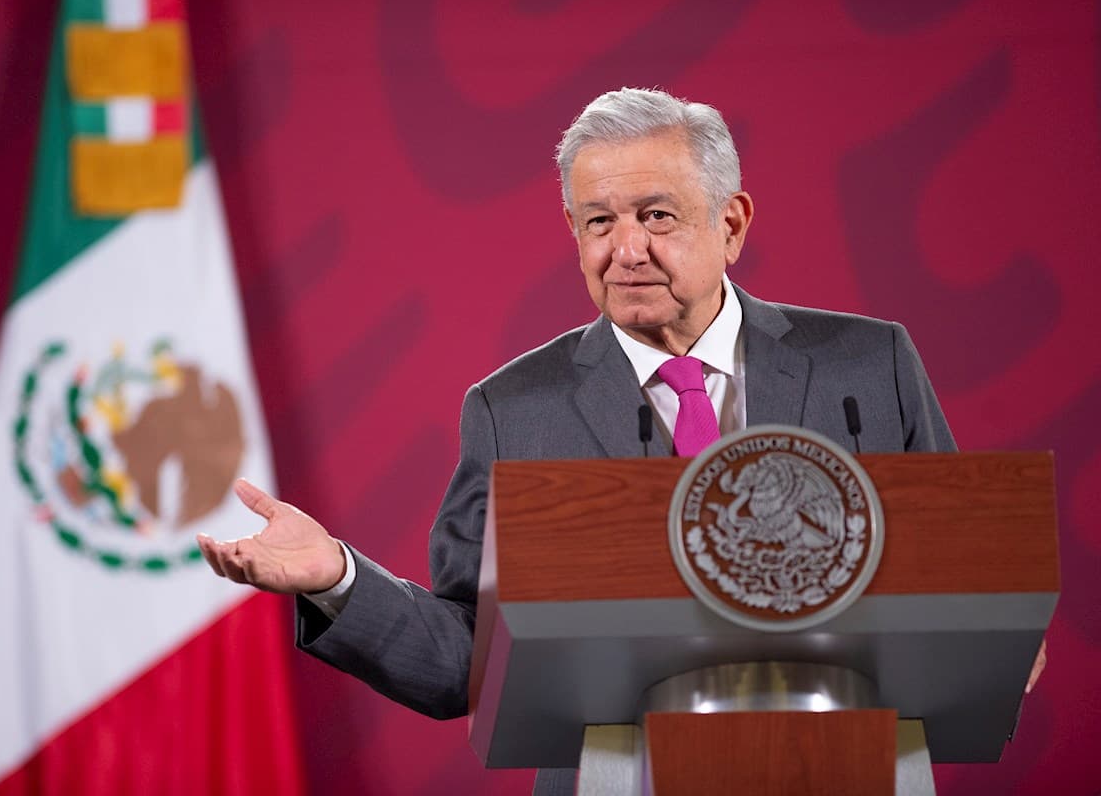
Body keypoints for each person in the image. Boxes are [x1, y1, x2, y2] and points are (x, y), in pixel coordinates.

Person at [198, 88, 969, 794]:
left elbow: (966, 570)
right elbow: (470, 661)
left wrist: (1001, 623)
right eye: (599, 221)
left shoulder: (868, 366)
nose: (626, 250)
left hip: (848, 764)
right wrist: (337, 577)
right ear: (574, 231)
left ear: (730, 224)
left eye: (656, 216)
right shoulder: (515, 410)